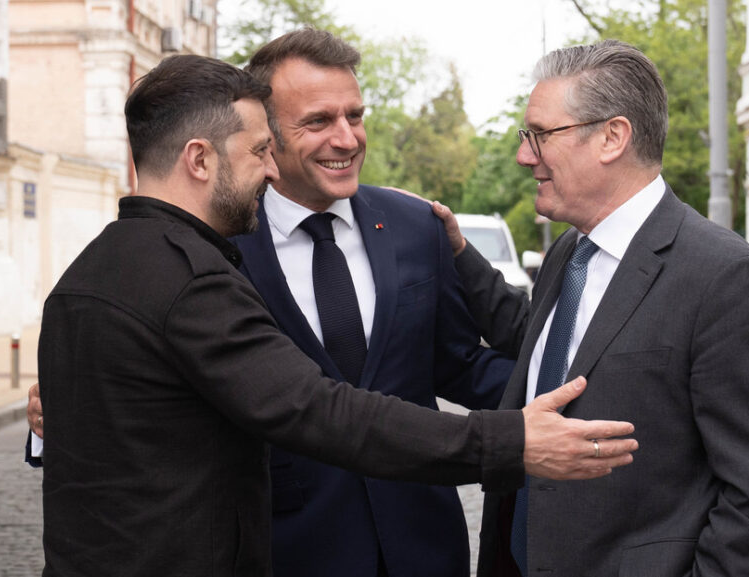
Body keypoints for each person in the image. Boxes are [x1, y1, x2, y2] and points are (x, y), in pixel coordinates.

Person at [38, 54, 639, 577]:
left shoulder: (90, 273)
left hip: (416, 544)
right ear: (202, 158)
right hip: (283, 550)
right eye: (265, 148)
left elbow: (456, 361)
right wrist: (512, 442)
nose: (271, 170)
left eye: (355, 115)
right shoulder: (200, 268)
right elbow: (315, 407)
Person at [432, 40, 749, 576]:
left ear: (612, 137)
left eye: (539, 135)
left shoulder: (729, 280)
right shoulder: (570, 250)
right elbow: (546, 351)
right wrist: (462, 255)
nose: (524, 155)